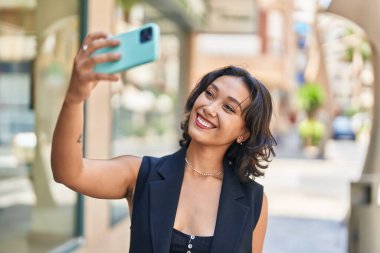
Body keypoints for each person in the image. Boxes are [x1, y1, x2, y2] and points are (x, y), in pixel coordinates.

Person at [51, 32, 276, 253]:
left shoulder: (254, 202)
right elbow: (69, 172)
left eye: (228, 108)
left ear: (244, 133)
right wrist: (75, 98)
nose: (209, 108)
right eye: (209, 93)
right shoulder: (141, 174)